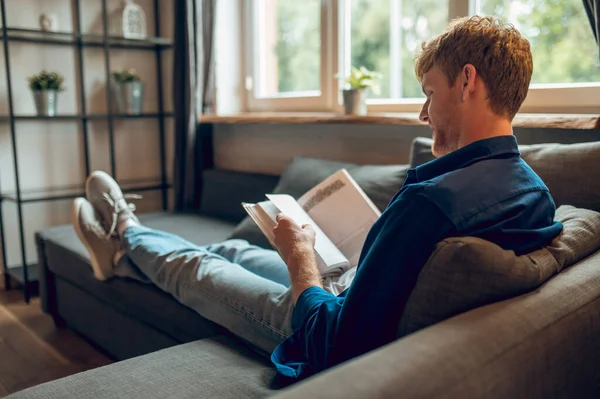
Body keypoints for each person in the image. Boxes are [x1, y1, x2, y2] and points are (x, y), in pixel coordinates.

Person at [72, 15, 563, 384]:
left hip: (323, 322)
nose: (422, 112)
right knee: (234, 250)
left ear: (467, 81)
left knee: (197, 266)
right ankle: (122, 251)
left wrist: (301, 257)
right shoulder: (533, 191)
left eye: (428, 93)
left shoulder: (432, 202)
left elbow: (336, 344)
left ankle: (124, 232)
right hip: (354, 292)